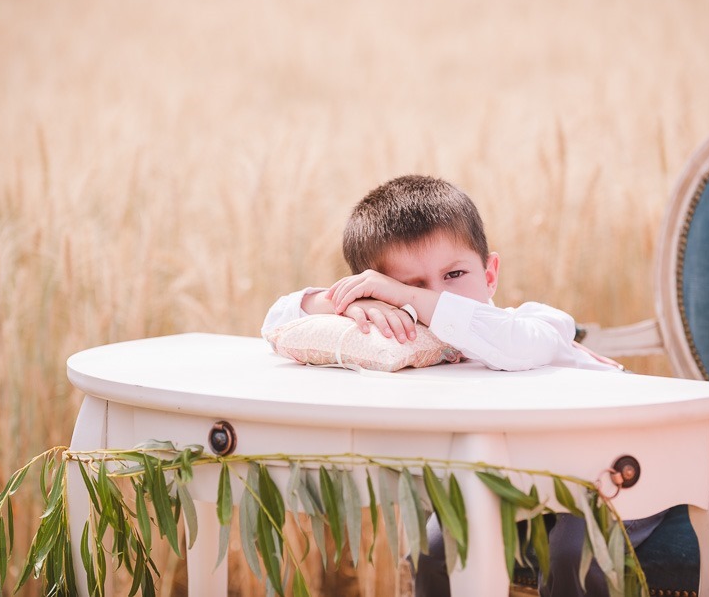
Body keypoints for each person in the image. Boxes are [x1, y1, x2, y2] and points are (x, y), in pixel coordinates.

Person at [261, 174, 662, 597]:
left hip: (629, 457)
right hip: (526, 477)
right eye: (409, 285)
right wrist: (349, 301)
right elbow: (277, 322)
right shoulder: (405, 343)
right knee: (435, 550)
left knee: (572, 556)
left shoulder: (533, 323)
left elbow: (514, 347)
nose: (436, 296)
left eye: (454, 274)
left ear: (490, 275)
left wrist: (409, 298)